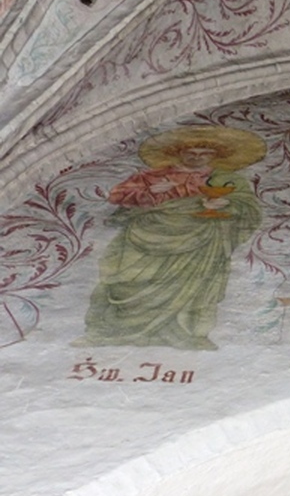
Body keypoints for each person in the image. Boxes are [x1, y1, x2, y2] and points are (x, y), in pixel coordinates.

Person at [77, 126, 265, 350]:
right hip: (145, 234)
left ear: (216, 155)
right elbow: (120, 199)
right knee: (125, 280)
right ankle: (109, 331)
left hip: (200, 240)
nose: (197, 157)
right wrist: (152, 193)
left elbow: (248, 207)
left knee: (194, 285)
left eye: (204, 153)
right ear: (177, 152)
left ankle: (186, 333)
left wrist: (227, 204)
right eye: (190, 152)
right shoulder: (152, 176)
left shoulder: (226, 179)